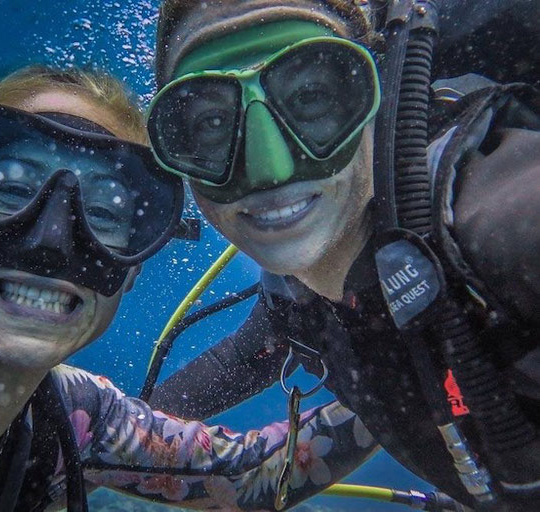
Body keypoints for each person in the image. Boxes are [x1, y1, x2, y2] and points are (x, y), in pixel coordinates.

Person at [0, 65, 378, 511]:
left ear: (132, 269)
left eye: (103, 214)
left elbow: (251, 472)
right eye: (14, 190)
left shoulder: (83, 418)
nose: (52, 244)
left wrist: (415, 355)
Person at [146, 0, 539, 510]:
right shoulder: (299, 300)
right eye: (210, 123)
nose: (269, 168)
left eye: (311, 95)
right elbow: (236, 363)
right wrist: (65, 434)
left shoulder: (501, 221)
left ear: (377, 91)